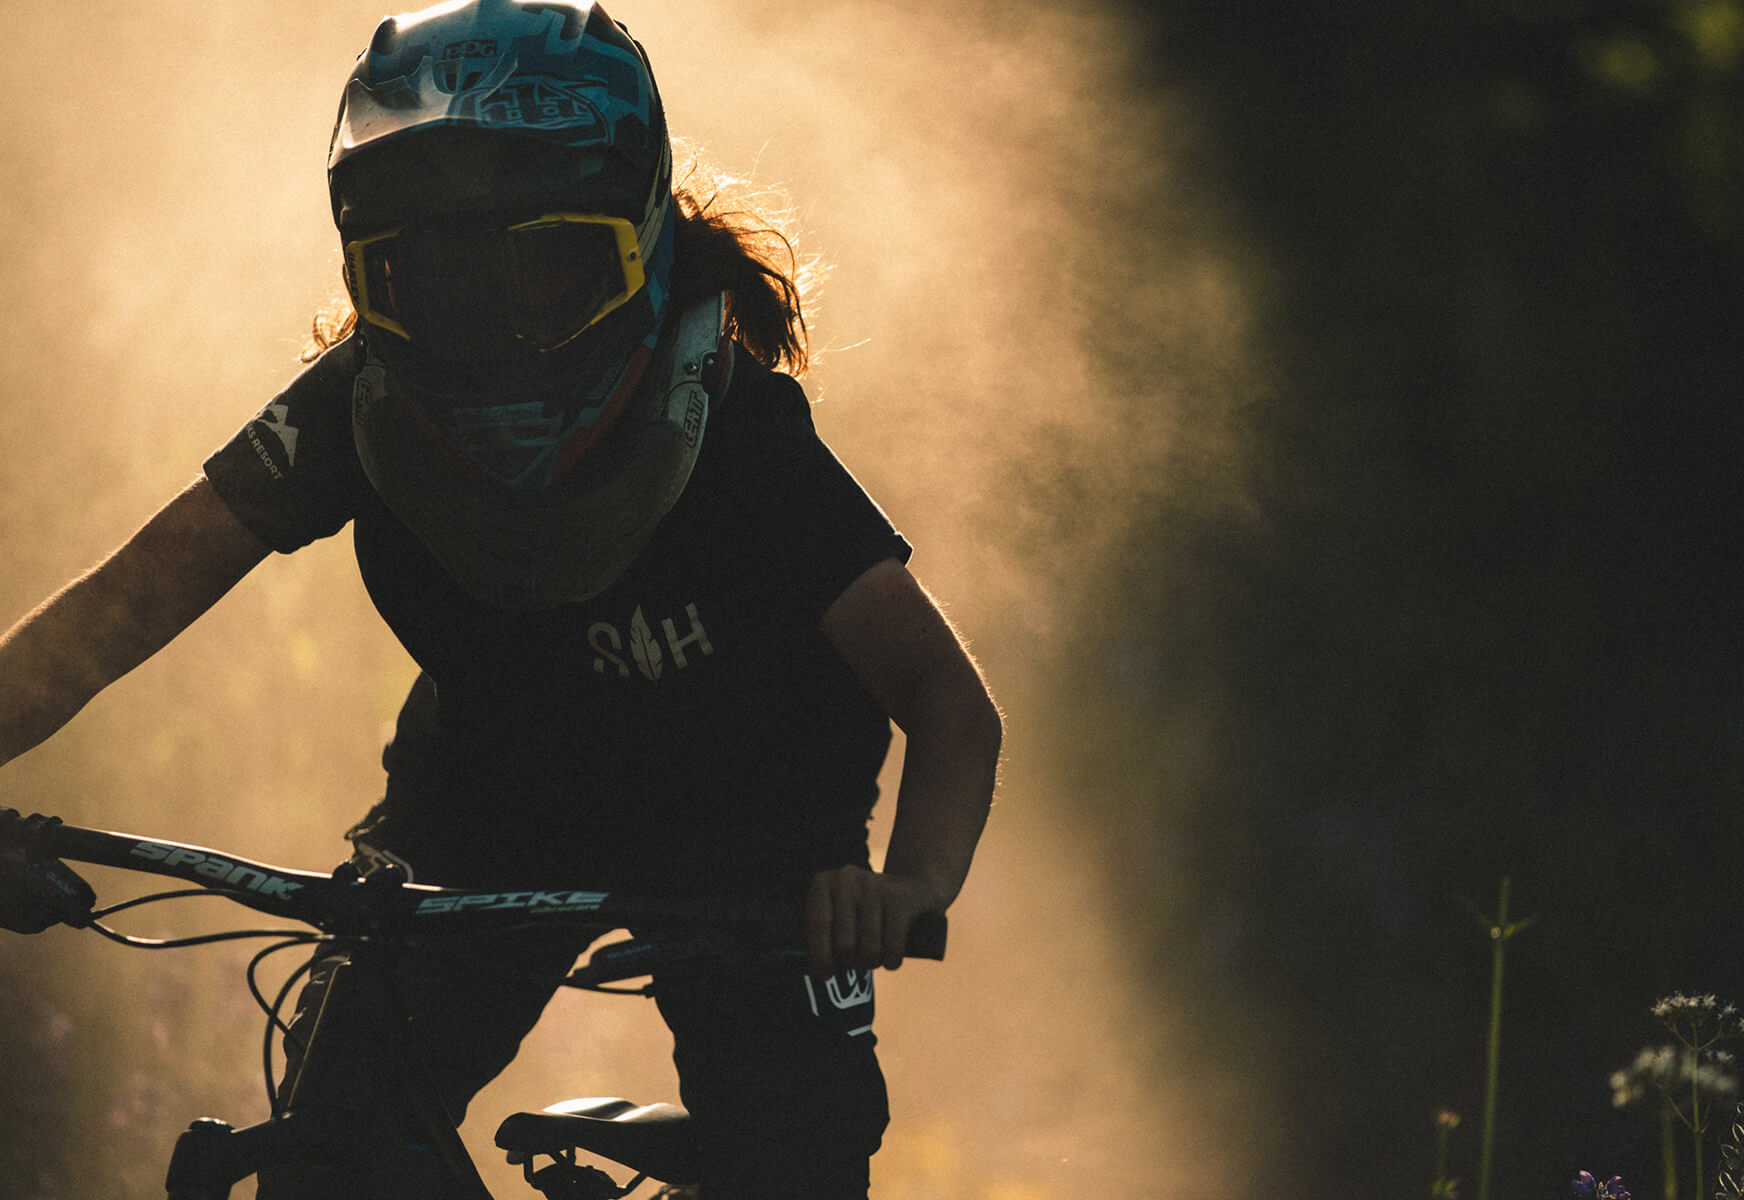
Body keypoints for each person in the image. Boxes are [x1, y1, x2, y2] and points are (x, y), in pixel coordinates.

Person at [0, 2, 1002, 1196]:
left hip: (761, 834)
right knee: (335, 1149)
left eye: (546, 269)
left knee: (793, 1153)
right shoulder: (351, 410)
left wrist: (903, 889)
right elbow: (115, 614)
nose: (492, 334)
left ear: (638, 247)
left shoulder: (738, 443)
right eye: (431, 276)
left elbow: (946, 698)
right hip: (484, 808)